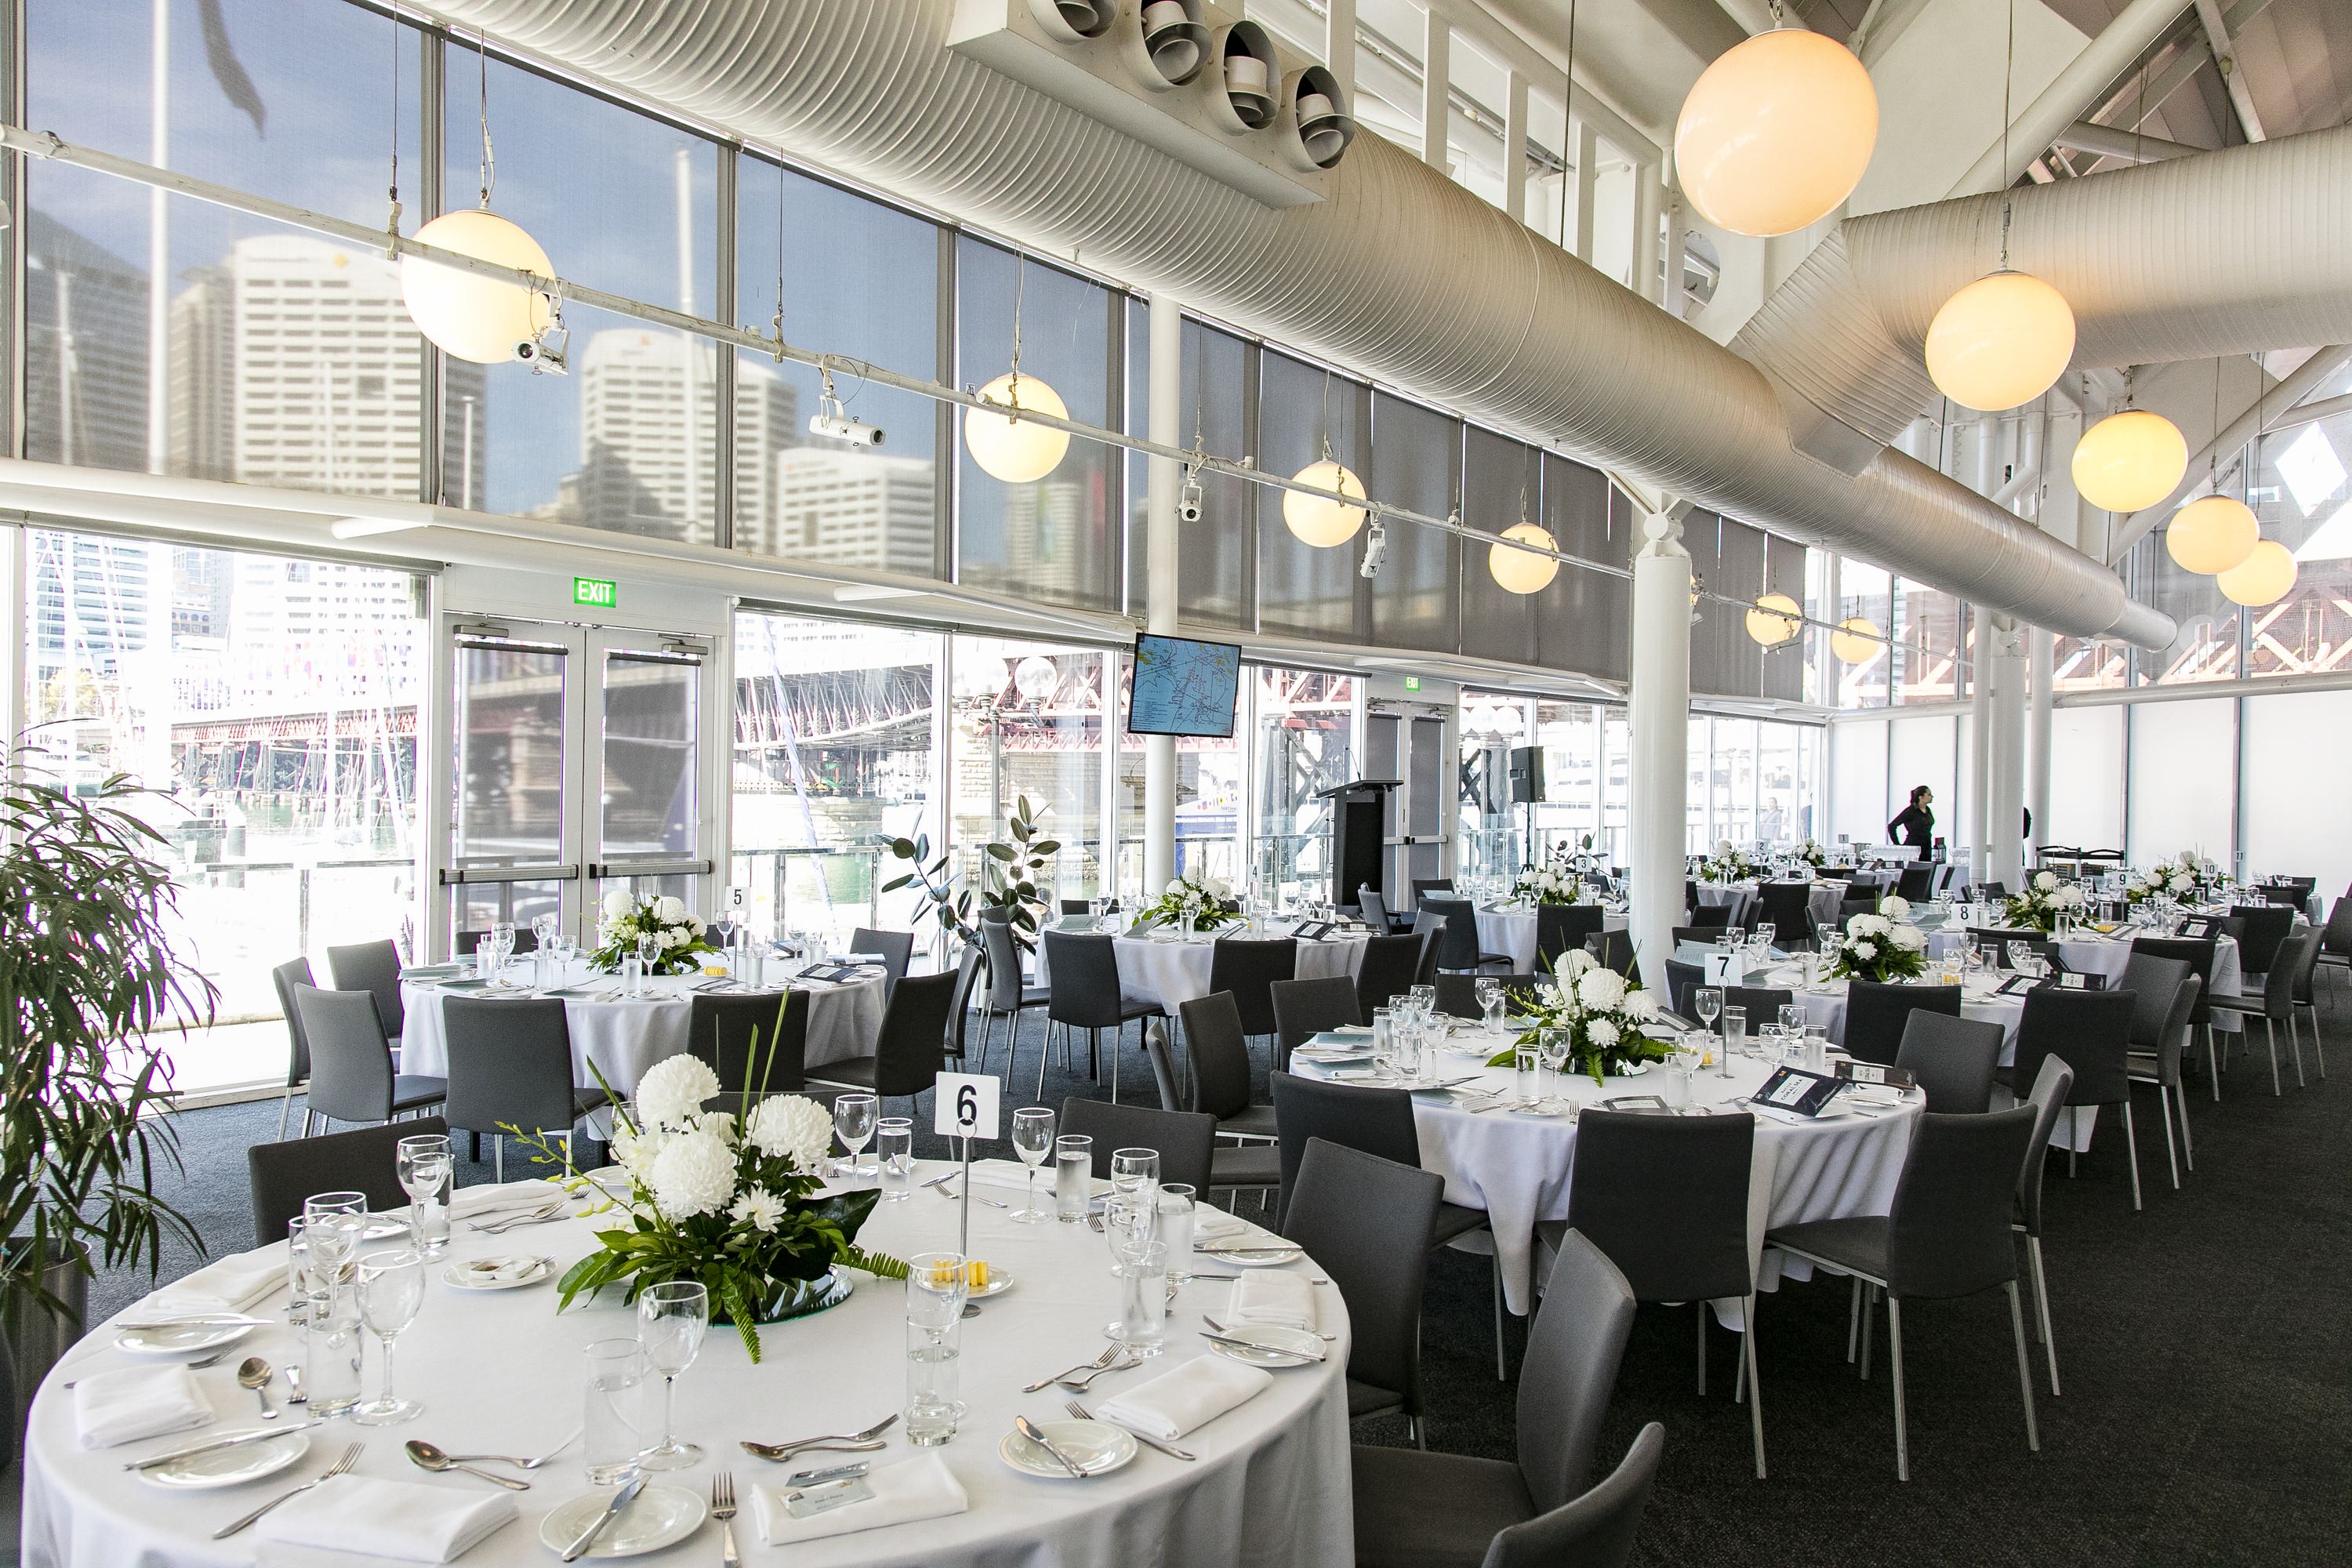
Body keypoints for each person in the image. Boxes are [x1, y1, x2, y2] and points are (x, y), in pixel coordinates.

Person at [1887, 786, 1934, 855]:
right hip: (1913, 848)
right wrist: (1897, 845)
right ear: (1921, 797)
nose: (1932, 797)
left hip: (1926, 847)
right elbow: (1892, 826)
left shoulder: (1928, 810)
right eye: (1929, 795)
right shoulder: (1911, 811)